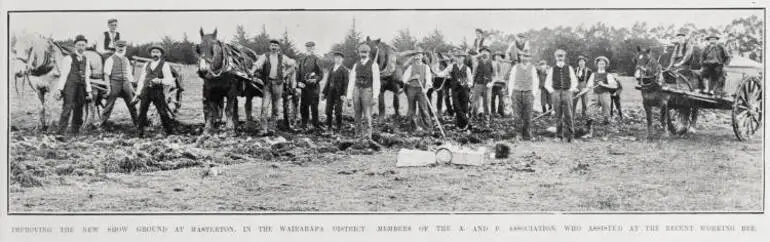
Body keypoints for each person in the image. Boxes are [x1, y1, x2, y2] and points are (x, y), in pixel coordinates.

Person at [55, 34, 94, 136]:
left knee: (79, 109)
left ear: (85, 46)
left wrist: (89, 91)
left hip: (81, 87)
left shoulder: (86, 59)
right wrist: (59, 89)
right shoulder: (68, 58)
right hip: (70, 87)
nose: (81, 47)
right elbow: (64, 75)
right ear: (75, 46)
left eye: (83, 45)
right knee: (67, 109)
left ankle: (75, 132)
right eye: (79, 45)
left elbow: (87, 77)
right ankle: (60, 133)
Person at [135, 44, 176, 136]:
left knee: (162, 111)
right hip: (146, 90)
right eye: (153, 52)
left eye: (157, 52)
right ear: (150, 54)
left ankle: (169, 132)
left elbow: (170, 80)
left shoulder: (164, 65)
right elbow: (142, 79)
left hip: (157, 91)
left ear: (161, 54)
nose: (155, 54)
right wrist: (138, 92)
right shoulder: (146, 64)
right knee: (142, 111)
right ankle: (139, 132)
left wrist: (160, 80)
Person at [253, 39, 293, 132]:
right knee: (264, 106)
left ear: (278, 47)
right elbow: (257, 64)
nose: (273, 47)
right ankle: (263, 129)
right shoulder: (265, 56)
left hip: (278, 85)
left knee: (275, 108)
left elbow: (293, 64)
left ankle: (272, 128)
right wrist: (252, 71)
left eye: (275, 45)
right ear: (269, 47)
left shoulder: (283, 57)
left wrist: (286, 73)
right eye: (272, 45)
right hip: (267, 84)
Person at [346, 44, 381, 140]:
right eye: (361, 52)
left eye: (365, 52)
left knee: (367, 115)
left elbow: (376, 81)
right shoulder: (356, 65)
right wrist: (349, 96)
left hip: (367, 91)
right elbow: (352, 80)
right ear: (359, 53)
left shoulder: (373, 65)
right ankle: (357, 136)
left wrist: (375, 96)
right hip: (356, 91)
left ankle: (368, 137)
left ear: (368, 53)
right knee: (357, 114)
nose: (363, 54)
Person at [100, 40, 138, 127]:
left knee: (132, 104)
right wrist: (109, 88)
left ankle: (137, 123)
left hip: (126, 83)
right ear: (116, 47)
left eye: (122, 47)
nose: (121, 48)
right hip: (115, 83)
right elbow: (106, 75)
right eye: (119, 46)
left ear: (125, 48)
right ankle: (103, 124)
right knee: (109, 104)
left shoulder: (126, 60)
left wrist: (131, 88)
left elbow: (129, 75)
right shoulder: (110, 59)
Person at [543, 49, 579, 142]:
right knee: (558, 115)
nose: (560, 57)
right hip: (556, 92)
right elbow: (547, 84)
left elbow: (574, 82)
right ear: (555, 57)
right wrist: (552, 92)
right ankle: (559, 136)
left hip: (567, 92)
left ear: (564, 57)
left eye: (561, 56)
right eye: (558, 56)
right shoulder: (552, 69)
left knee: (569, 114)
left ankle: (571, 136)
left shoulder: (569, 68)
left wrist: (570, 91)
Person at [435, 51, 474, 131]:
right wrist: (434, 73)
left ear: (463, 58)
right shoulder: (451, 66)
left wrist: (466, 84)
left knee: (464, 107)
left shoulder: (467, 68)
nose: (459, 58)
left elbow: (470, 81)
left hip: (464, 90)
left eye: (461, 57)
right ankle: (466, 122)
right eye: (458, 57)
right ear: (455, 58)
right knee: (456, 107)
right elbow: (442, 74)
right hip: (455, 90)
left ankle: (462, 126)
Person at [507, 52, 539, 140]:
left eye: (527, 56)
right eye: (524, 56)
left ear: (530, 58)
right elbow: (511, 81)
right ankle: (518, 134)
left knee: (528, 114)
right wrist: (510, 94)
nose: (525, 58)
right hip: (516, 92)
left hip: (528, 92)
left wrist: (533, 93)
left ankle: (527, 134)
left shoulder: (532, 68)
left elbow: (536, 81)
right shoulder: (515, 67)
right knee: (517, 114)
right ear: (521, 57)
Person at [401, 48, 433, 132]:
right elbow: (404, 79)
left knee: (424, 108)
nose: (418, 57)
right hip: (411, 89)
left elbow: (428, 79)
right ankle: (414, 128)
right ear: (414, 57)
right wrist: (412, 78)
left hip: (421, 89)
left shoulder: (426, 67)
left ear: (422, 56)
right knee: (412, 109)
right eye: (416, 55)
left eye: (419, 55)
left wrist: (426, 89)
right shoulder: (411, 67)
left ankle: (428, 127)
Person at [298, 41, 324, 130]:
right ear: (306, 48)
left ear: (314, 48)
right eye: (308, 47)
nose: (309, 49)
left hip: (313, 88)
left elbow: (321, 74)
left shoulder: (317, 59)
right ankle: (304, 124)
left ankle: (315, 125)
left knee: (314, 107)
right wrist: (298, 82)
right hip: (304, 88)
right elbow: (298, 72)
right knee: (303, 106)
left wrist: (315, 79)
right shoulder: (302, 60)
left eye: (311, 47)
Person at [586, 56, 619, 124]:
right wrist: (589, 90)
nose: (601, 65)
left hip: (605, 94)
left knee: (606, 110)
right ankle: (590, 121)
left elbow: (614, 86)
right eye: (600, 64)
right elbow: (589, 85)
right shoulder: (593, 74)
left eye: (603, 64)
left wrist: (604, 85)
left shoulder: (608, 75)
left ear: (605, 65)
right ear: (597, 65)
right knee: (590, 109)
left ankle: (606, 121)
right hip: (595, 94)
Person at [322, 51, 349, 132]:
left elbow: (346, 83)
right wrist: (324, 92)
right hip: (330, 92)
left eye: (340, 58)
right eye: (336, 58)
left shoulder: (344, 70)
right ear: (334, 59)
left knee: (338, 112)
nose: (338, 59)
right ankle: (329, 127)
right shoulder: (331, 68)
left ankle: (339, 128)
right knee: (328, 110)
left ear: (342, 59)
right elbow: (327, 82)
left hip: (339, 94)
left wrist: (344, 94)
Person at [471, 47, 495, 123]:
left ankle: (486, 118)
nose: (485, 53)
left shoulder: (492, 63)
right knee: (475, 102)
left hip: (488, 85)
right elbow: (474, 74)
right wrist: (472, 84)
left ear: (489, 53)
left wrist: (492, 83)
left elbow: (495, 75)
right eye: (482, 51)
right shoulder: (477, 62)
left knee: (487, 103)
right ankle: (474, 117)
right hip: (478, 83)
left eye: (486, 51)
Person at [491, 51, 512, 118]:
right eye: (496, 56)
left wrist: (505, 83)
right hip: (493, 84)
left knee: (501, 99)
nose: (497, 57)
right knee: (492, 98)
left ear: (501, 57)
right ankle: (493, 112)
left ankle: (501, 112)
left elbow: (507, 74)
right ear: (494, 57)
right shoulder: (492, 64)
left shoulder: (505, 65)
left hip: (501, 84)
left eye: (499, 56)